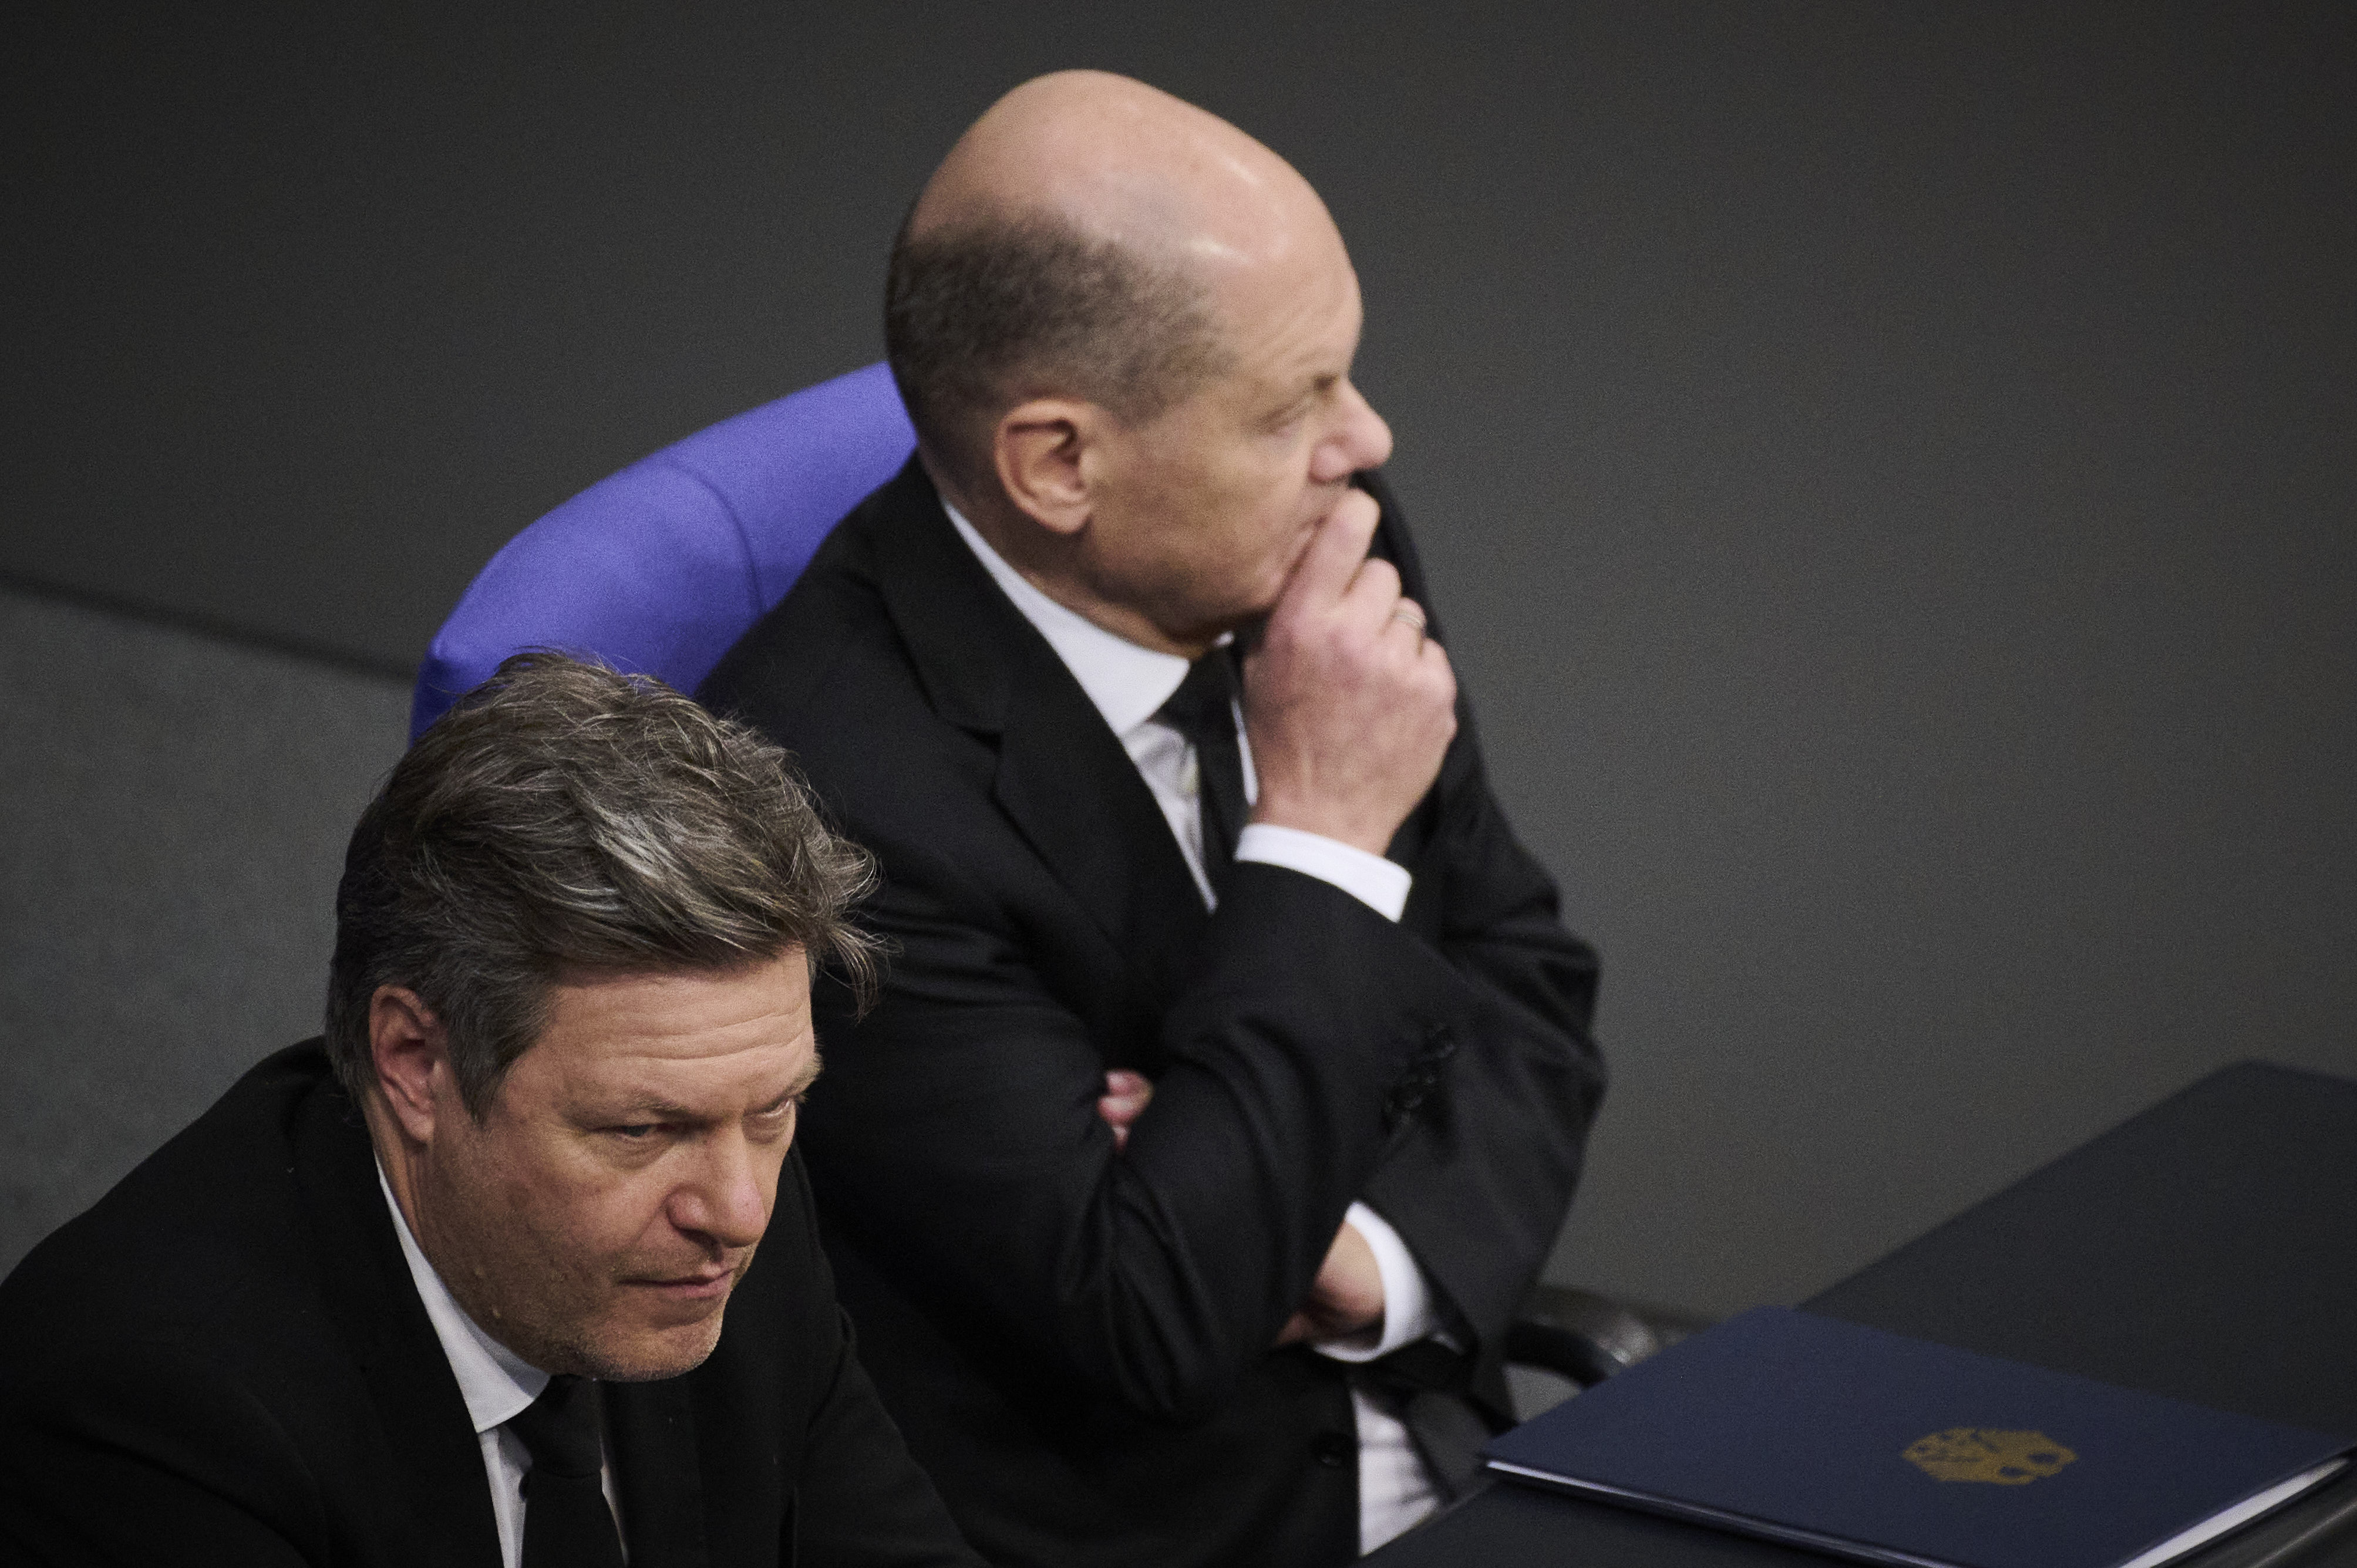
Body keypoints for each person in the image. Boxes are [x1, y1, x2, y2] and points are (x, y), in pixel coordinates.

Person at [699, 70, 1605, 1567]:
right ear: (1060, 462)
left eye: (1346, 377)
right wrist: (1322, 837)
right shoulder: (816, 802)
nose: (1363, 441)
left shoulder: (1307, 549)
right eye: (1292, 404)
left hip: (1436, 1425)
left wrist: (1359, 1255)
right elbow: (1152, 1309)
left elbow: (1527, 980)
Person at [0, 653, 982, 1568]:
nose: (739, 1211)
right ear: (414, 1064)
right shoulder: (148, 1415)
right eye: (639, 1131)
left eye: (776, 1109)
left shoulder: (719, 1181)